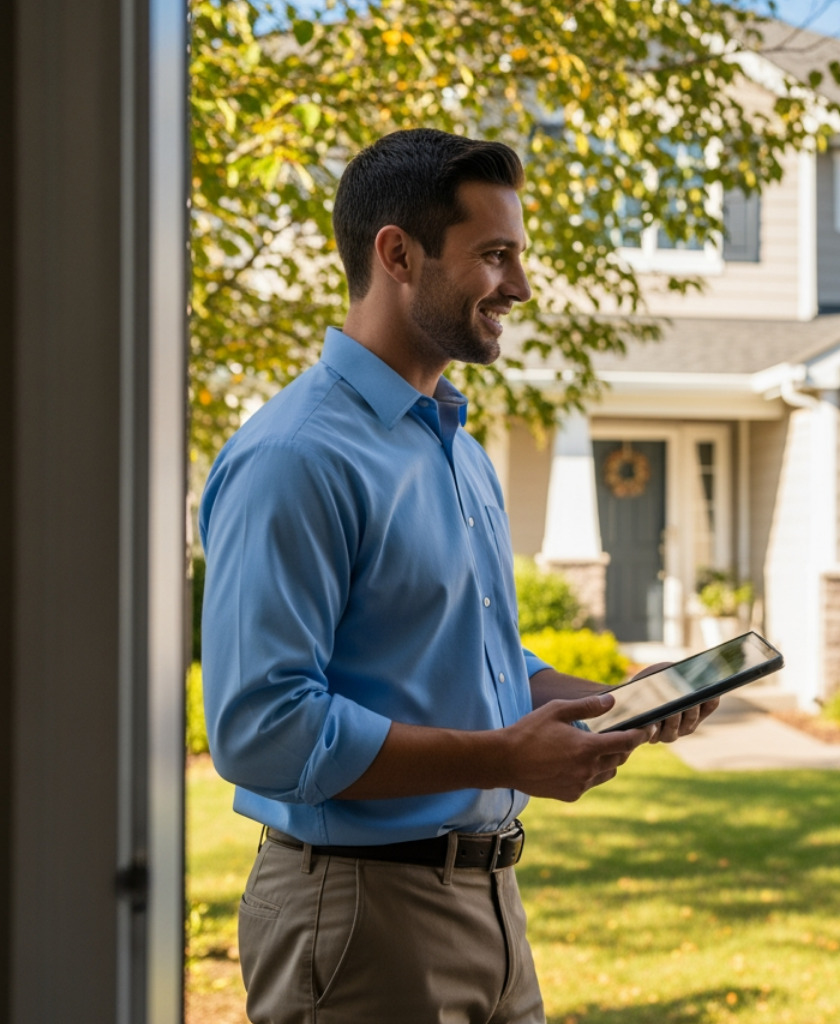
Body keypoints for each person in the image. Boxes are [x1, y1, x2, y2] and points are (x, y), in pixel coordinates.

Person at [199, 128, 716, 1024]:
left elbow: (474, 657)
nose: (519, 286)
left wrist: (604, 701)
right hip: (360, 919)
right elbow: (262, 728)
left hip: (492, 906)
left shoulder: (457, 450)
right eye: (494, 255)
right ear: (397, 253)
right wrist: (503, 755)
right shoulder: (295, 456)